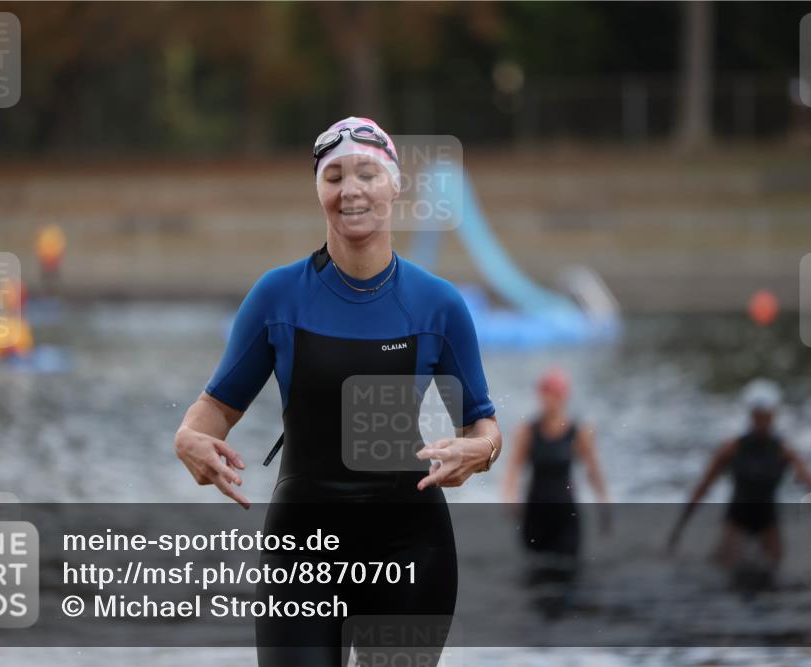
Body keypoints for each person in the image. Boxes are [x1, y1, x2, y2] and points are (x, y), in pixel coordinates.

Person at [174, 116, 501, 667]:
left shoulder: (437, 305)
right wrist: (189, 439)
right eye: (334, 177)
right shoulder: (277, 297)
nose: (350, 190)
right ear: (319, 191)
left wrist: (482, 449)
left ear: (396, 185)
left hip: (411, 550)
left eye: (367, 173)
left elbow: (482, 425)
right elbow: (214, 410)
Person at [667, 379, 811, 569]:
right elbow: (703, 487)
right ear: (751, 415)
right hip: (737, 519)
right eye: (757, 416)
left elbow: (810, 481)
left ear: (774, 415)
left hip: (768, 521)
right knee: (723, 571)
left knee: (775, 572)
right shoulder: (732, 448)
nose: (761, 421)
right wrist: (679, 528)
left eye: (765, 416)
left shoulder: (783, 451)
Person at [500, 369, 610, 564]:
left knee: (569, 572)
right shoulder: (527, 431)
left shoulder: (578, 432)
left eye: (552, 395)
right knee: (534, 571)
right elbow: (513, 470)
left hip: (566, 515)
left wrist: (604, 506)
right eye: (543, 394)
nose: (547, 400)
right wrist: (510, 499)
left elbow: (593, 472)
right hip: (535, 513)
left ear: (562, 397)